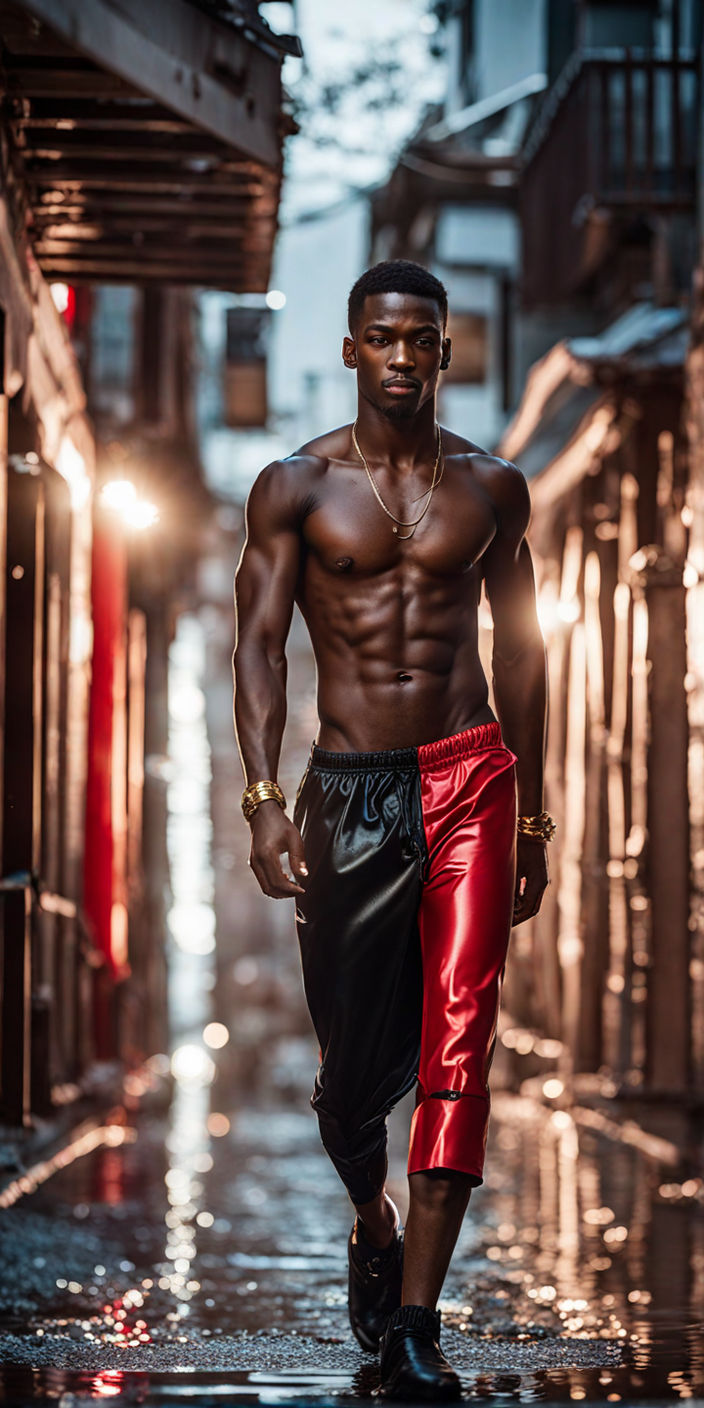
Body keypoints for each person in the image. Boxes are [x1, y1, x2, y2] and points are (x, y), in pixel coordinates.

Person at [233, 260, 552, 1401]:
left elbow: (520, 651)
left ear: (445, 350)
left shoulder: (493, 489)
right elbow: (259, 645)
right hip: (350, 789)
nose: (404, 356)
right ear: (353, 350)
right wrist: (263, 795)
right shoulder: (295, 487)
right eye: (384, 337)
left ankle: (417, 1318)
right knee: (348, 1078)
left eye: (423, 338)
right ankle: (370, 1219)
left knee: (459, 1036)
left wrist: (537, 812)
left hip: (470, 773)